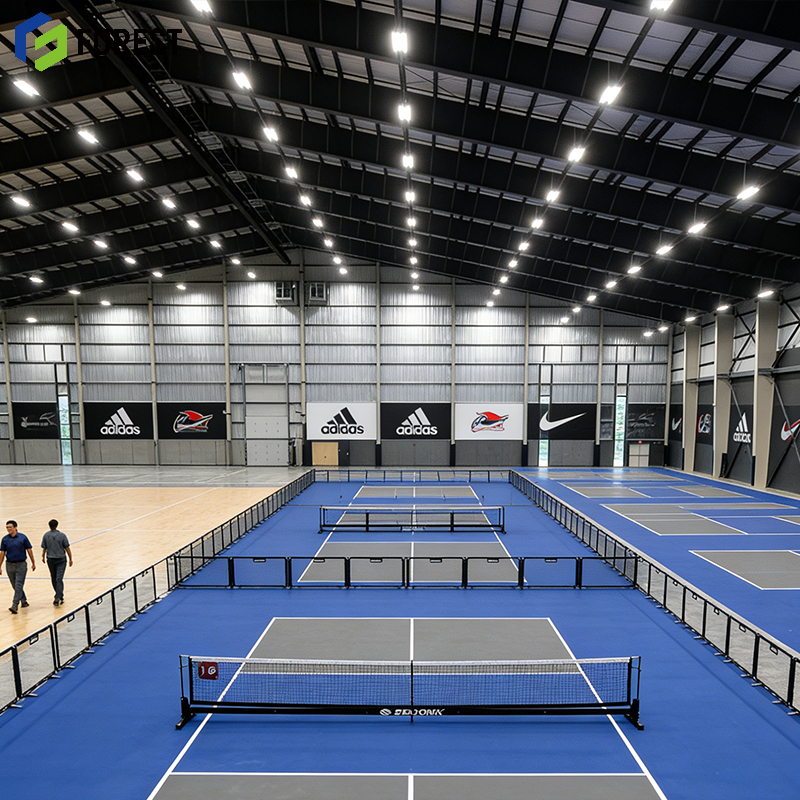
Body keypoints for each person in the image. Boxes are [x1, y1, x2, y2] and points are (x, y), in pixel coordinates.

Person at [0, 520, 36, 614]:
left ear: (15, 527)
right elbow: (2, 553)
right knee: (15, 586)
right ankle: (23, 601)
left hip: (21, 565)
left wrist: (33, 562)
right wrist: (0, 566)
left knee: (18, 585)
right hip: (9, 565)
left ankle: (14, 605)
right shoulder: (5, 539)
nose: (8, 529)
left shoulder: (23, 537)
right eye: (7, 527)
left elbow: (29, 550)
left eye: (10, 527)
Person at [41, 519, 73, 607]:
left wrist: (43, 556)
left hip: (51, 559)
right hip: (61, 559)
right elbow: (67, 548)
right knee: (58, 578)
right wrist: (70, 558)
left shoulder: (46, 535)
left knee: (55, 578)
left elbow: (44, 548)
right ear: (57, 525)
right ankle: (59, 595)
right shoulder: (62, 535)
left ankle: (57, 597)